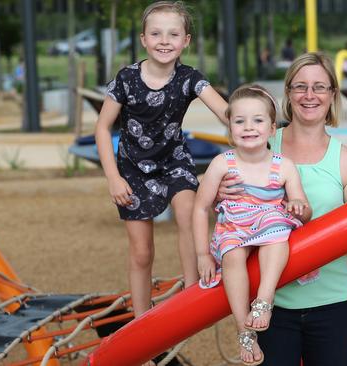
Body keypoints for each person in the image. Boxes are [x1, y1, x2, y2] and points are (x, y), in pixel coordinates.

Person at [218, 53, 347, 366]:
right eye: (300, 86)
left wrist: (321, 236)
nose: (309, 95)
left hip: (332, 306)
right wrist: (221, 194)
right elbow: (227, 216)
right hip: (270, 307)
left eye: (319, 87)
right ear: (288, 94)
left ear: (333, 95)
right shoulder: (259, 144)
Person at [94, 0, 227, 354]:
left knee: (189, 211)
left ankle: (191, 292)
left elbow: (226, 111)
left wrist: (253, 124)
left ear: (186, 40)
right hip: (132, 169)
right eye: (156, 33)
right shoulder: (126, 79)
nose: (164, 40)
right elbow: (103, 128)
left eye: (173, 33)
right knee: (141, 252)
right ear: (143, 39)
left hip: (173, 160)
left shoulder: (190, 78)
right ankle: (141, 324)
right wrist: (112, 178)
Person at [194, 85, 311, 366]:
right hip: (234, 226)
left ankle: (263, 301)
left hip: (270, 222)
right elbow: (200, 207)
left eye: (257, 120)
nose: (249, 127)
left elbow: (303, 206)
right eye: (239, 121)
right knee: (232, 255)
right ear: (230, 128)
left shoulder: (283, 165)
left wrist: (296, 204)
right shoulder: (223, 163)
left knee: (276, 231)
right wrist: (202, 254)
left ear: (272, 129)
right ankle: (243, 329)